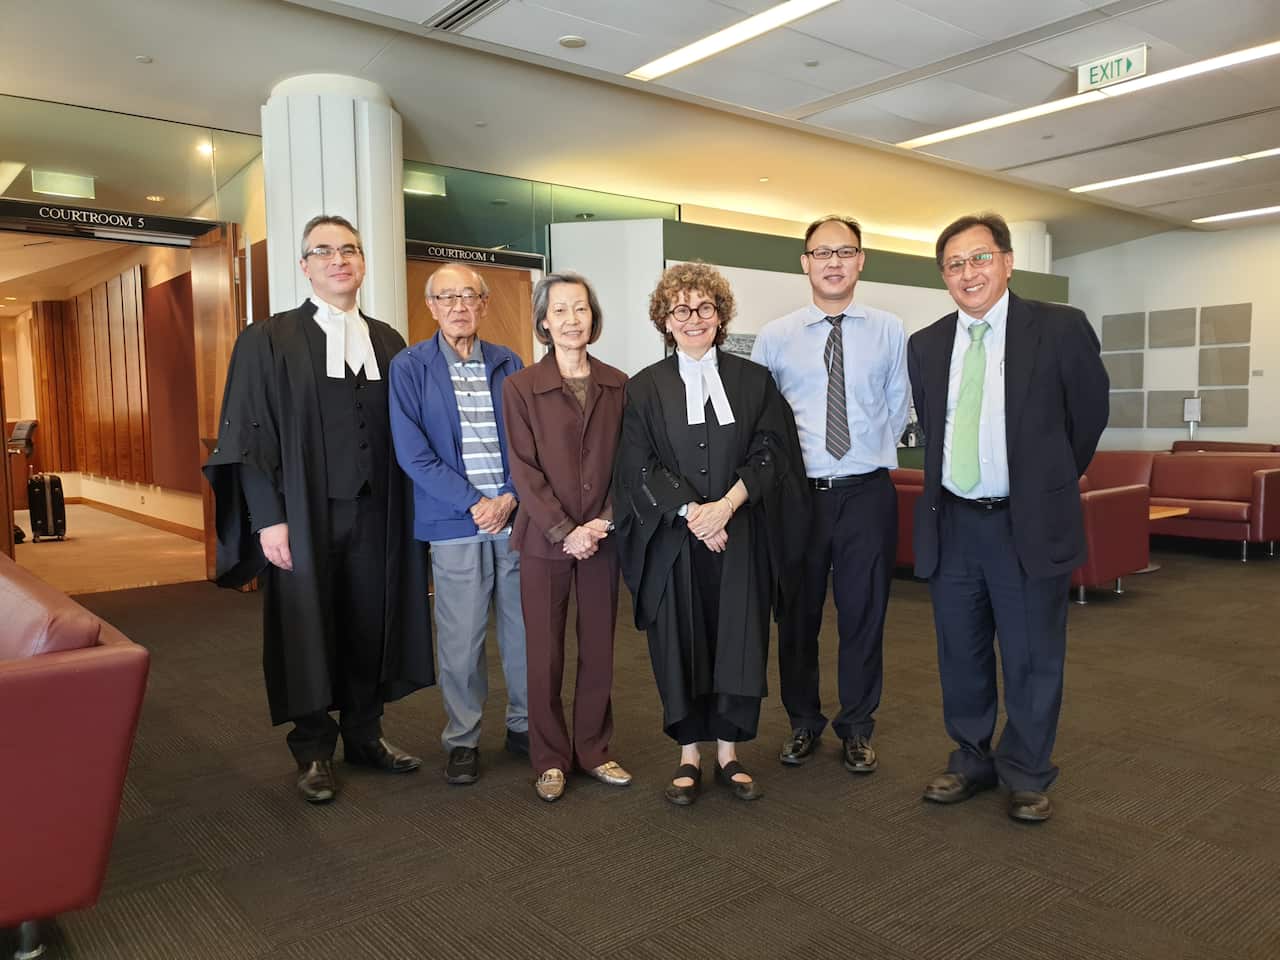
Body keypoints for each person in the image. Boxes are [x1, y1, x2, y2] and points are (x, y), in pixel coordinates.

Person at [204, 213, 433, 804]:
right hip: (303, 513)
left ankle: (364, 734)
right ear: (304, 266)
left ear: (361, 263)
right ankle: (313, 750)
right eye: (324, 251)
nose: (339, 259)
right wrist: (268, 519)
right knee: (306, 624)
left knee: (370, 618)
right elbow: (248, 437)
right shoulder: (268, 338)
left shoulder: (388, 340)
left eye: (350, 249)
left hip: (380, 512)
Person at [907, 212, 1108, 823]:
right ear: (944, 276)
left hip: (1025, 524)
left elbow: (1088, 419)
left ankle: (1026, 769)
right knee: (960, 652)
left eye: (980, 258)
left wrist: (1043, 485)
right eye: (955, 264)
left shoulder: (1059, 328)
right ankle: (970, 757)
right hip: (954, 524)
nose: (969, 273)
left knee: (1030, 653)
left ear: (1007, 261)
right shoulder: (928, 344)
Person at [613, 262, 808, 806]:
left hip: (740, 536)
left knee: (738, 641)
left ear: (720, 316)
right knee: (681, 641)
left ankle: (729, 752)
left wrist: (725, 506)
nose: (694, 318)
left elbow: (772, 453)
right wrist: (694, 513)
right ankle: (689, 755)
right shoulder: (645, 388)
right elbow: (638, 465)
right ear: (665, 320)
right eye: (681, 310)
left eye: (705, 308)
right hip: (677, 542)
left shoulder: (754, 382)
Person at [752, 215, 909, 775]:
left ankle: (857, 727)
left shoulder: (890, 330)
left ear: (861, 260)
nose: (834, 262)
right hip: (798, 498)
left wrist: (865, 454)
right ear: (805, 263)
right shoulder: (776, 336)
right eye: (822, 253)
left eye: (845, 252)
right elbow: (763, 422)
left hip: (867, 492)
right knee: (797, 613)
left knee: (864, 613)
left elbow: (896, 406)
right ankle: (802, 722)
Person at [388, 262, 529, 786]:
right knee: (461, 641)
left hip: (515, 522)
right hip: (455, 523)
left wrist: (511, 497)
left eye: (468, 297)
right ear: (431, 307)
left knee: (523, 634)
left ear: (484, 304)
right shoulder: (410, 366)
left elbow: (527, 442)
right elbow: (413, 453)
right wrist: (476, 502)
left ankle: (524, 725)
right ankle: (464, 739)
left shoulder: (509, 362)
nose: (459, 307)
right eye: (447, 298)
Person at [502, 272, 631, 802]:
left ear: (593, 319)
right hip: (543, 539)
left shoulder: (620, 384)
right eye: (560, 311)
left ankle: (595, 750)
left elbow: (630, 465)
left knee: (599, 647)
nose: (571, 320)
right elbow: (523, 470)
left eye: (580, 309)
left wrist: (600, 522)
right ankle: (550, 758)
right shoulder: (520, 387)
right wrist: (564, 530)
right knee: (544, 651)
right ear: (543, 321)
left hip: (603, 537)